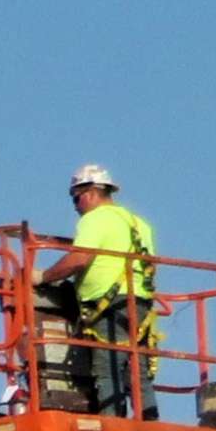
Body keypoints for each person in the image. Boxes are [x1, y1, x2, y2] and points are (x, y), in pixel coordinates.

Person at [42, 165, 157, 418]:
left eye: (76, 198)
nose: (75, 206)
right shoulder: (139, 224)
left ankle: (113, 424)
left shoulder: (94, 219)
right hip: (140, 304)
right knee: (137, 368)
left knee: (108, 368)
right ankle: (150, 422)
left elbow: (79, 259)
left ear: (91, 193)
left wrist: (44, 277)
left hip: (111, 304)